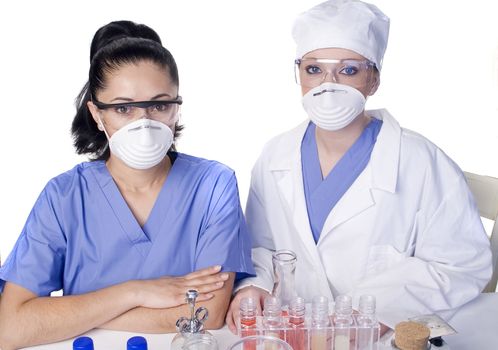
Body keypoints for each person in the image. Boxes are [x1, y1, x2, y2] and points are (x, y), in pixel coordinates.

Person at [226, 0, 492, 334]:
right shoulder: (274, 155)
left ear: (374, 80)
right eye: (314, 69)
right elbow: (260, 246)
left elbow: (461, 264)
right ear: (299, 75)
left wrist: (375, 309)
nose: (328, 84)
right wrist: (256, 286)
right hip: (294, 328)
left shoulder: (421, 161)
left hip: (381, 332)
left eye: (348, 70)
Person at [0, 20, 254, 349]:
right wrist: (135, 291)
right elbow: (11, 326)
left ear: (177, 107)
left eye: (160, 105)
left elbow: (207, 313)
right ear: (96, 113)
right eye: (123, 108)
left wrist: (73, 313)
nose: (144, 124)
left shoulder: (212, 186)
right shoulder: (64, 197)